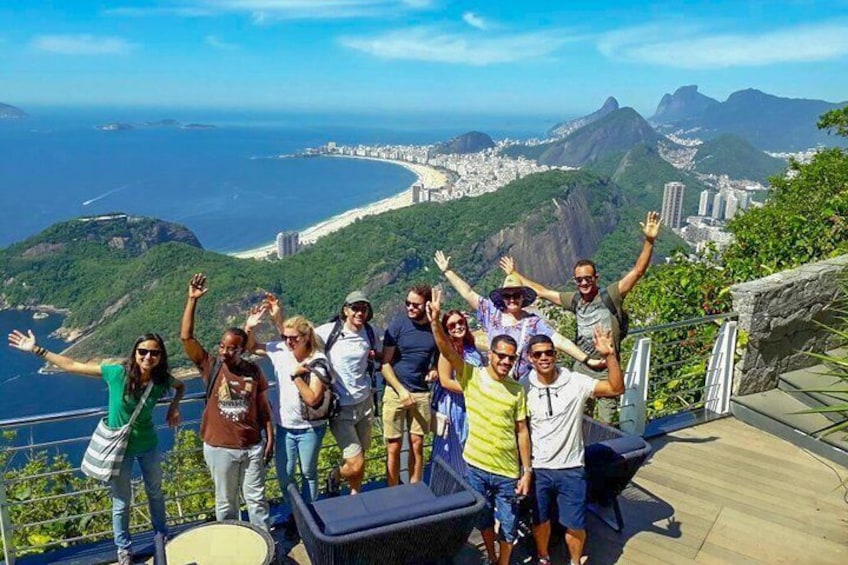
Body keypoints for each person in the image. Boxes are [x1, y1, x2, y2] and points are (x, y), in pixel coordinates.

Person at [7, 330, 185, 565]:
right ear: (135, 353)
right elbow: (72, 365)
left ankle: (160, 535)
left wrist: (174, 406)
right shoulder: (117, 373)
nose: (148, 357)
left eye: (154, 353)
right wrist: (37, 349)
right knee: (121, 501)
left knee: (155, 493)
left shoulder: (161, 380)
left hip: (148, 444)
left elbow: (181, 386)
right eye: (143, 351)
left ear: (161, 356)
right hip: (118, 450)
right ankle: (124, 549)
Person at [501, 210, 661, 423]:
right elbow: (543, 291)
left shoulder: (610, 295)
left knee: (606, 423)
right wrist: (515, 274)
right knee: (580, 420)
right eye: (579, 280)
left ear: (596, 278)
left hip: (606, 369)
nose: (584, 283)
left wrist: (649, 241)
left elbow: (637, 272)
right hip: (582, 368)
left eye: (588, 279)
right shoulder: (574, 299)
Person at [429, 287, 532, 565]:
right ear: (492, 355)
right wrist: (435, 322)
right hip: (476, 465)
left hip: (507, 471)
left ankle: (503, 561)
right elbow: (446, 352)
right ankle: (494, 555)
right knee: (484, 519)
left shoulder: (517, 390)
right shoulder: (472, 376)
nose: (505, 362)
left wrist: (527, 471)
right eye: (501, 356)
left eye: (511, 358)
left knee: (509, 525)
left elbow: (522, 431)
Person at [180, 273, 274, 532]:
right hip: (220, 448)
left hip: (252, 446)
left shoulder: (253, 372)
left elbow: (264, 408)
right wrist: (192, 300)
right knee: (226, 506)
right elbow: (186, 338)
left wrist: (270, 438)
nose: (225, 351)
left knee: (256, 503)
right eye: (222, 346)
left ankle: (265, 549)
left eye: (231, 348)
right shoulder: (211, 366)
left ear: (241, 349)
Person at [522, 332, 624, 565]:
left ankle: (575, 562)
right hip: (539, 468)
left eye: (549, 352)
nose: (544, 357)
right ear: (530, 358)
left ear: (555, 355)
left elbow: (616, 388)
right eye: (538, 354)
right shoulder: (523, 386)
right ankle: (544, 557)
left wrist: (609, 356)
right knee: (540, 520)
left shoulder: (575, 382)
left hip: (572, 467)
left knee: (575, 523)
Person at [434, 250, 602, 380]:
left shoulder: (533, 322)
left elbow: (560, 341)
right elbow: (468, 292)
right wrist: (447, 271)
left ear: (523, 298)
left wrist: (588, 360)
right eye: (507, 296)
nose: (512, 299)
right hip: (495, 382)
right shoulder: (492, 312)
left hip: (521, 385)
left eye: (516, 295)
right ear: (502, 298)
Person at [245, 299, 329, 535]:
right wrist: (250, 327)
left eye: (294, 338)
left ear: (306, 337)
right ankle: (297, 513)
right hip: (284, 426)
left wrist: (297, 376)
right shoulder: (279, 349)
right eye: (286, 338)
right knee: (285, 474)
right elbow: (252, 348)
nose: (289, 342)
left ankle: (311, 518)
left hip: (310, 427)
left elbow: (313, 398)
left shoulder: (316, 359)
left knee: (308, 474)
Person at [315, 290, 382, 496]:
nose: (359, 312)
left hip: (365, 404)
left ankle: (355, 496)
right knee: (355, 463)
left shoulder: (370, 333)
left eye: (363, 308)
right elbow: (299, 338)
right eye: (355, 308)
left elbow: (382, 355)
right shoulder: (329, 332)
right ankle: (335, 475)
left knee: (361, 457)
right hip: (341, 409)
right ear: (346, 310)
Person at [381, 284, 438, 486]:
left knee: (417, 444)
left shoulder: (434, 328)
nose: (410, 308)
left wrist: (434, 370)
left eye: (416, 305)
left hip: (421, 392)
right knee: (393, 446)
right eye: (408, 303)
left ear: (427, 305)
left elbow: (439, 358)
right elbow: (385, 364)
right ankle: (393, 488)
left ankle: (415, 486)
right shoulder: (397, 326)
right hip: (396, 391)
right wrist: (401, 390)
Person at [431, 308, 482, 476]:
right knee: (453, 447)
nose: (458, 327)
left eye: (461, 323)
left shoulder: (470, 349)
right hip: (453, 406)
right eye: (452, 325)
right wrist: (472, 389)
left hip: (473, 404)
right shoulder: (447, 352)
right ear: (446, 330)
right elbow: (446, 381)